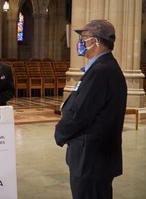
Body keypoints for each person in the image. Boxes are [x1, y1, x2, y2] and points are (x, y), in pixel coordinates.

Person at [54, 20, 127, 199]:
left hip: (91, 158)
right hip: (98, 157)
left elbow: (79, 114)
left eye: (84, 38)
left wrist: (60, 133)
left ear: (96, 41)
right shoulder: (106, 68)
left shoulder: (100, 71)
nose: (81, 42)